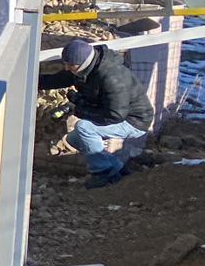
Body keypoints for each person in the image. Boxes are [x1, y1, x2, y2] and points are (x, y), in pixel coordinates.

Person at [39, 39, 154, 189]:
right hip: (117, 115)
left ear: (84, 63)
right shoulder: (83, 68)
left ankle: (103, 172)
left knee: (84, 128)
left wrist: (81, 109)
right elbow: (58, 79)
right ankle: (117, 169)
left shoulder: (112, 78)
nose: (67, 68)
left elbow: (115, 114)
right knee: (74, 139)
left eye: (70, 65)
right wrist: (33, 80)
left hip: (134, 121)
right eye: (65, 64)